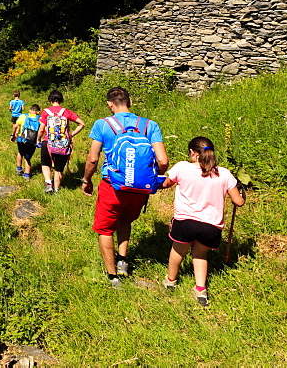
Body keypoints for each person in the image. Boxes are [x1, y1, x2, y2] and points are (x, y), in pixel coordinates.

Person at [82, 86, 168, 287]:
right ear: (130, 103)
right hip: (138, 189)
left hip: (112, 186)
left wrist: (86, 180)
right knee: (125, 221)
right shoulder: (149, 125)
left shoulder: (102, 125)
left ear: (110, 105)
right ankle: (123, 260)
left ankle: (113, 277)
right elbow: (163, 161)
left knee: (105, 229)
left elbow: (92, 159)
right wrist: (153, 179)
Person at [162, 136, 245, 306]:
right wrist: (242, 192)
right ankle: (201, 290)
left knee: (178, 252)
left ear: (192, 153)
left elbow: (166, 184)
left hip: (185, 222)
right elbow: (239, 202)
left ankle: (171, 281)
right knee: (200, 254)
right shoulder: (224, 173)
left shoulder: (182, 167)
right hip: (210, 226)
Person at [37, 90, 85, 194]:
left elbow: (41, 129)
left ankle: (48, 184)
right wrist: (71, 135)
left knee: (45, 164)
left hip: (48, 142)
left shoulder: (46, 112)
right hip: (63, 144)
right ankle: (57, 190)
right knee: (59, 168)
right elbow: (81, 124)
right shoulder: (66, 111)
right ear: (61, 100)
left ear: (50, 100)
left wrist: (38, 139)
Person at [14, 104, 41, 178]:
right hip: (32, 141)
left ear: (29, 110)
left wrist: (13, 134)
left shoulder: (23, 116)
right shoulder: (40, 119)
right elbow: (42, 130)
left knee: (20, 153)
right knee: (27, 158)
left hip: (21, 139)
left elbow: (16, 125)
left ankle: (19, 169)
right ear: (38, 112)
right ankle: (26, 175)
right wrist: (39, 140)